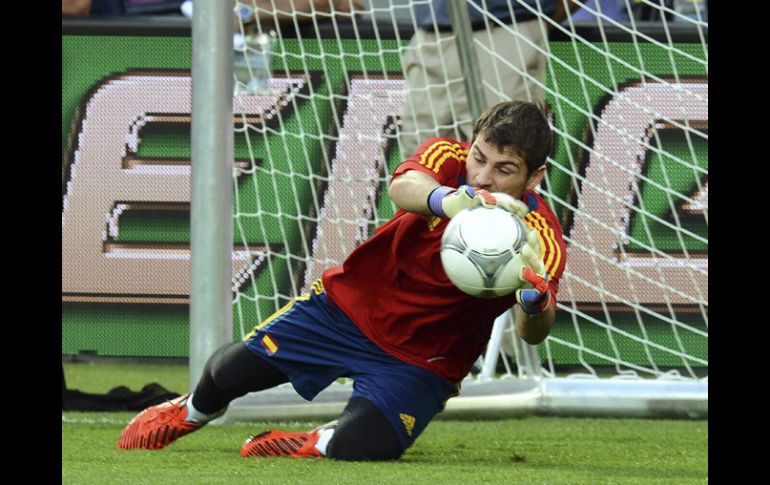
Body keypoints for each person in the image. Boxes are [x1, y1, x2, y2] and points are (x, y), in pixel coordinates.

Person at [117, 100, 567, 461]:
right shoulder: (448, 160)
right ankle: (193, 410)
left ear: (535, 177)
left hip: (421, 358)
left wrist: (533, 301)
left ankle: (317, 440)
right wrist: (448, 200)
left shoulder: (540, 237)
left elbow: (534, 334)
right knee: (227, 372)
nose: (483, 177)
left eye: (503, 170)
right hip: (348, 308)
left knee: (365, 446)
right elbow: (403, 185)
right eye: (479, 159)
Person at [398, 0, 561, 158]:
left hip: (503, 29)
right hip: (430, 32)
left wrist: (535, 23)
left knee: (501, 157)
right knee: (419, 163)